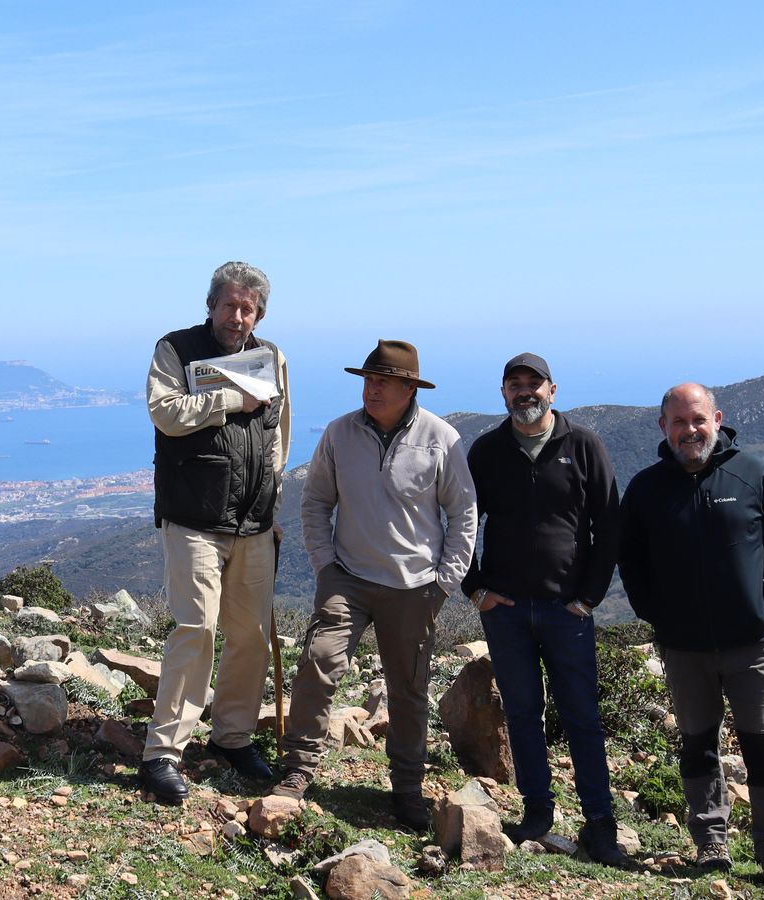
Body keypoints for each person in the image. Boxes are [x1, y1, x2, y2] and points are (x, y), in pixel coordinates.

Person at [271, 339, 477, 831]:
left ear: (409, 388)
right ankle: (298, 769)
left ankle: (406, 790)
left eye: (383, 381)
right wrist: (325, 566)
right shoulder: (341, 433)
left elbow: (463, 513)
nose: (372, 388)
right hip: (348, 578)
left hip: (415, 587)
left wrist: (443, 583)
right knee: (319, 661)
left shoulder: (441, 438)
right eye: (367, 379)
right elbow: (316, 501)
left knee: (408, 690)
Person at [619, 382, 764, 886]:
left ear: (717, 419)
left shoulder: (751, 474)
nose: (690, 430)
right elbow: (630, 558)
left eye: (698, 419)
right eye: (679, 422)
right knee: (697, 743)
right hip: (683, 646)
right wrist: (651, 611)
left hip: (752, 643)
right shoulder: (646, 488)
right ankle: (712, 844)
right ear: (663, 427)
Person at [460, 352, 630, 867]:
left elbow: (610, 524)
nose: (524, 392)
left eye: (534, 384)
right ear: (503, 393)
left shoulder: (583, 445)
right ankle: (537, 813)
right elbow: (460, 521)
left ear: (553, 391)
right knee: (522, 715)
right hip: (505, 611)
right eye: (515, 384)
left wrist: (589, 597)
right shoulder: (487, 451)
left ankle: (600, 824)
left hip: (567, 611)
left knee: (582, 717)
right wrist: (476, 589)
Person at [138, 261, 291, 805]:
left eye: (248, 308)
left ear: (260, 313)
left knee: (248, 635)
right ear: (210, 305)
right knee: (195, 629)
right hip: (194, 518)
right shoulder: (176, 350)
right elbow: (165, 413)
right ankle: (163, 752)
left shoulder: (271, 357)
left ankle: (232, 738)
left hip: (253, 523)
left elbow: (278, 438)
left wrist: (271, 504)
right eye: (228, 305)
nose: (237, 316)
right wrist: (230, 398)